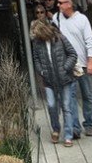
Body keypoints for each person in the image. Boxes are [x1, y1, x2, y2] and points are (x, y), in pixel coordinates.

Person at [31, 18, 79, 147]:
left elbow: (73, 54)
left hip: (65, 78)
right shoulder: (37, 43)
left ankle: (68, 136)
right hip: (49, 79)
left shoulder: (60, 38)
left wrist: (65, 68)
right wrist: (42, 71)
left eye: (36, 33)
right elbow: (36, 59)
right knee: (52, 105)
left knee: (66, 106)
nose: (35, 36)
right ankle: (56, 129)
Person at [54, 0, 92, 136]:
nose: (58, 5)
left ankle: (89, 123)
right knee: (70, 97)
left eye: (61, 2)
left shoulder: (82, 19)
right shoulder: (56, 18)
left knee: (87, 95)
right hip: (67, 65)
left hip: (82, 63)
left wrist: (91, 61)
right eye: (57, 2)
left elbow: (90, 41)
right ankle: (75, 127)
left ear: (69, 4)